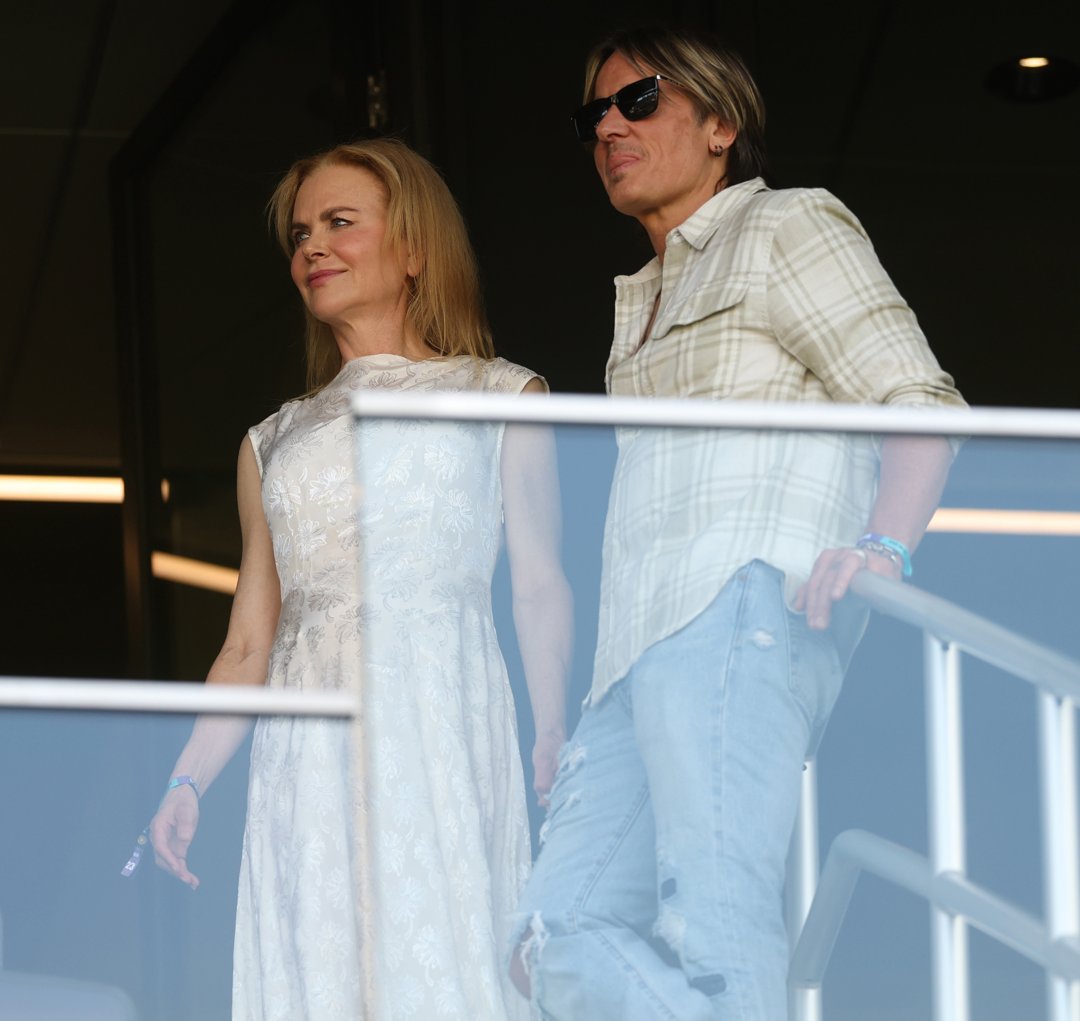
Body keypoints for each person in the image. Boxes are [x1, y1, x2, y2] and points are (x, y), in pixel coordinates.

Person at [510, 26, 967, 1020]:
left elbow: (920, 399)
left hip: (743, 606)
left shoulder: (788, 225)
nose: (609, 127)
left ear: (721, 124)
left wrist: (882, 546)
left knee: (714, 927)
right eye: (594, 114)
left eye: (639, 102)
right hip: (630, 661)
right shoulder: (637, 299)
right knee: (550, 940)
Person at [144, 137, 571, 1020]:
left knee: (444, 958)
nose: (312, 247)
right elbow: (247, 641)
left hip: (442, 723)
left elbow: (539, 583)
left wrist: (553, 728)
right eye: (300, 233)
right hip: (307, 753)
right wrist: (187, 780)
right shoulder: (273, 440)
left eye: (341, 223)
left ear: (414, 248)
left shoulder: (505, 395)